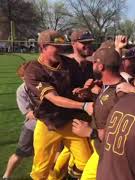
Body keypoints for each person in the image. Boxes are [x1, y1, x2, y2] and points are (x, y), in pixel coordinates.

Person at [24, 29, 93, 180]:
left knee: (86, 163)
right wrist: (84, 106)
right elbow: (54, 98)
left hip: (69, 120)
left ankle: (66, 172)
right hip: (48, 123)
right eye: (56, 46)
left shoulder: (69, 63)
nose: (61, 50)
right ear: (43, 47)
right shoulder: (33, 69)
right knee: (40, 170)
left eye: (62, 46)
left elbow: (81, 85)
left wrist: (84, 89)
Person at [71, 38, 128, 180]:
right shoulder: (106, 85)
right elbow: (106, 108)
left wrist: (91, 132)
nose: (92, 64)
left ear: (101, 67)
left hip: (112, 158)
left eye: (94, 62)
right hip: (100, 152)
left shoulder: (121, 93)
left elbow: (123, 131)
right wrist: (90, 94)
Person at [3, 62, 36, 179]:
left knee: (52, 153)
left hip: (50, 127)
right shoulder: (21, 91)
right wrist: (46, 112)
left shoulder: (43, 84)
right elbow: (29, 114)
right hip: (32, 128)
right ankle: (6, 176)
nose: (26, 80)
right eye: (24, 78)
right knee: (20, 153)